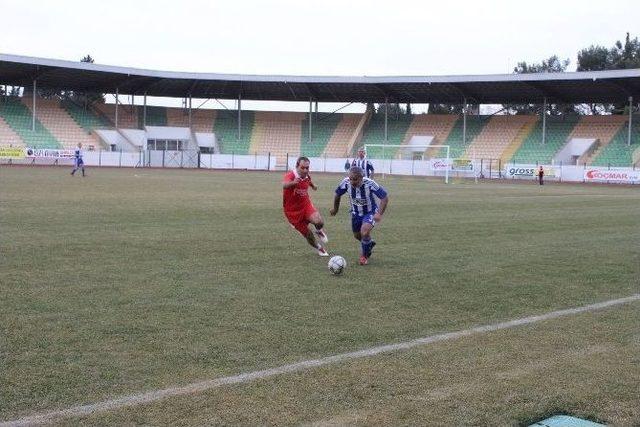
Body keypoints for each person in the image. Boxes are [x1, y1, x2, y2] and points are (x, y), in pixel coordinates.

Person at [330, 166, 389, 265]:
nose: (352, 181)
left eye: (355, 179)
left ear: (362, 177)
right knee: (357, 236)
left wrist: (379, 213)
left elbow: (384, 197)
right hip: (355, 213)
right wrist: (335, 209)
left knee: (364, 232)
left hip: (370, 212)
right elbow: (337, 195)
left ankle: (364, 256)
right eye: (351, 179)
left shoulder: (369, 183)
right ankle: (369, 242)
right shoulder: (346, 183)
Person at [283, 156, 329, 256]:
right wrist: (293, 183)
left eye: (307, 168)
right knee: (308, 234)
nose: (305, 170)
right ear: (297, 166)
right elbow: (284, 184)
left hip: (305, 205)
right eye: (302, 168)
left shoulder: (307, 175)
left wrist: (313, 186)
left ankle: (318, 230)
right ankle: (319, 248)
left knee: (319, 222)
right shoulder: (291, 175)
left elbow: (308, 180)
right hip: (292, 211)